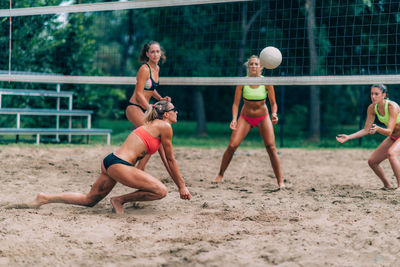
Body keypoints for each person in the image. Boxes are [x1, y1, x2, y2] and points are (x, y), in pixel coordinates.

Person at [28, 101, 192, 214]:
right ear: (165, 115)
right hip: (120, 165)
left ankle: (45, 198)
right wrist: (182, 187)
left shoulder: (154, 127)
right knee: (161, 190)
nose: (176, 112)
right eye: (174, 109)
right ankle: (119, 200)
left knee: (89, 200)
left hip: (111, 161)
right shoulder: (165, 126)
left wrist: (180, 185)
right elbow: (171, 160)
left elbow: (166, 159)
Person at [214, 55, 285, 188]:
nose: (253, 66)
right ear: (248, 66)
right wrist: (234, 119)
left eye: (256, 64)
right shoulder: (242, 81)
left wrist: (274, 114)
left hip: (263, 117)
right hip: (245, 118)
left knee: (271, 147)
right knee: (232, 146)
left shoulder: (267, 82)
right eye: (251, 64)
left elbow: (273, 103)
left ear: (261, 67)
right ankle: (220, 174)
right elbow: (235, 104)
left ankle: (280, 181)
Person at [337, 84, 400, 190]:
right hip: (394, 136)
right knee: (372, 161)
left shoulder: (391, 106)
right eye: (371, 93)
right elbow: (366, 129)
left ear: (384, 95)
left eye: (376, 94)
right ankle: (387, 185)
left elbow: (389, 131)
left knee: (391, 153)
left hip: (393, 135)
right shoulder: (372, 108)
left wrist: (378, 129)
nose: (373, 96)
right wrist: (349, 137)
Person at [126, 40, 171, 173]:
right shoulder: (144, 69)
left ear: (160, 53)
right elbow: (139, 93)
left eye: (157, 51)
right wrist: (151, 108)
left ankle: (131, 165)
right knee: (153, 135)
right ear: (147, 54)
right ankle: (140, 169)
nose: (155, 54)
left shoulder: (157, 69)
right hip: (134, 107)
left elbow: (151, 89)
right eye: (152, 52)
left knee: (149, 139)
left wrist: (161, 99)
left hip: (145, 108)